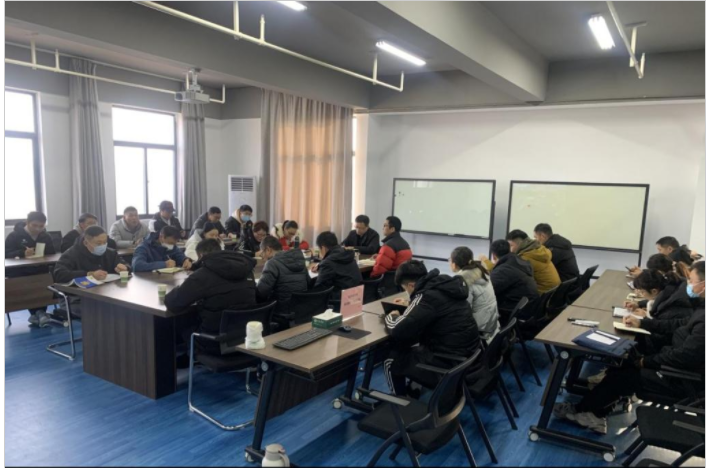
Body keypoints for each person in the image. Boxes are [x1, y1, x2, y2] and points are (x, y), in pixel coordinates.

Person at [554, 262, 705, 435]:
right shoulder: (702, 308)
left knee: (625, 373)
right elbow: (678, 324)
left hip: (682, 379)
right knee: (625, 361)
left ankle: (590, 413)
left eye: (691, 280)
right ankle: (597, 407)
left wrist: (646, 361)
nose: (687, 283)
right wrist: (643, 323)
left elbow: (685, 356)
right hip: (675, 363)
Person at [383, 260, 481, 396]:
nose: (407, 292)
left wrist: (391, 316)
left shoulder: (425, 297)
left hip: (450, 364)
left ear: (411, 285)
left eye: (405, 289)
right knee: (413, 346)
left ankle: (400, 402)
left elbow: (397, 329)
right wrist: (411, 304)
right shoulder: (445, 285)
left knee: (391, 361)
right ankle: (413, 389)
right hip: (469, 356)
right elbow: (435, 308)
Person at [165, 238, 257, 355]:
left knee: (181, 318)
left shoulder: (202, 275)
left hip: (213, 342)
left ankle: (186, 356)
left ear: (201, 256)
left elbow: (172, 302)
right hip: (246, 337)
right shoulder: (247, 270)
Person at [5, 211, 58, 327]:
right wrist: (22, 253)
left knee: (45, 280)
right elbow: (5, 253)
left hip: (40, 269)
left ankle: (38, 314)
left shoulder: (45, 236)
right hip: (20, 271)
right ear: (27, 222)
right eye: (34, 225)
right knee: (30, 284)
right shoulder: (14, 236)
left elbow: (52, 253)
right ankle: (39, 313)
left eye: (41, 226)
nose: (38, 229)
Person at [449, 246, 500, 343]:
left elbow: (463, 312)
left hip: (481, 331)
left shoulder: (463, 281)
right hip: (492, 325)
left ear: (454, 264)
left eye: (450, 260)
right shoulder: (481, 271)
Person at [486, 239, 540, 323]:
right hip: (529, 308)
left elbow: (487, 291)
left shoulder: (504, 269)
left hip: (516, 312)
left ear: (493, 256)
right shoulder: (517, 261)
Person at [256, 235, 309, 319]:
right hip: (301, 311)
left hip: (280, 312)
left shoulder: (272, 263)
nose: (262, 257)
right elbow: (309, 283)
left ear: (268, 250)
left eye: (262, 253)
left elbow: (261, 293)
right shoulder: (298, 260)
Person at [53, 226, 129, 284]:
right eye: (98, 243)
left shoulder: (110, 252)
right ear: (86, 243)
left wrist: (125, 268)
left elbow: (126, 265)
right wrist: (89, 274)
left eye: (105, 242)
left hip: (108, 290)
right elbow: (59, 274)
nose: (102, 246)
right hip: (80, 293)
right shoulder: (72, 254)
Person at [623, 269, 692, 322]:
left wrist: (646, 317)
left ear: (654, 291)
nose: (641, 295)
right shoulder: (670, 288)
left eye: (642, 292)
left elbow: (661, 329)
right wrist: (638, 304)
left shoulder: (670, 307)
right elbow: (656, 299)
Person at [310, 231, 361, 300]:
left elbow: (319, 290)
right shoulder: (348, 255)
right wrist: (320, 266)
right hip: (356, 297)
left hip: (340, 300)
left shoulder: (328, 263)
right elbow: (338, 267)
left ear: (323, 248)